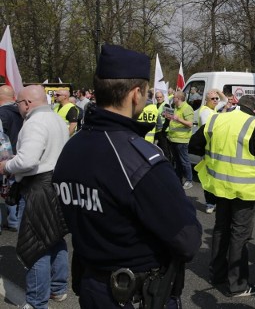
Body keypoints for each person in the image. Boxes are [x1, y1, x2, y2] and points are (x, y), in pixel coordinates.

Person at [52, 44, 202, 308]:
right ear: (136, 94)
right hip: (135, 294)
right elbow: (187, 240)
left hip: (93, 285)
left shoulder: (71, 148)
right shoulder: (139, 158)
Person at [190, 95, 255, 297]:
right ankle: (237, 285)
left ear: (237, 105)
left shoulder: (216, 119)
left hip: (220, 187)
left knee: (221, 230)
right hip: (245, 190)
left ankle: (217, 275)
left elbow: (194, 145)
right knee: (239, 235)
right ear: (254, 108)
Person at [0, 85, 70, 309]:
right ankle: (58, 288)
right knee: (55, 237)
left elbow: (27, 160)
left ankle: (37, 302)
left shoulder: (34, 123)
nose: (18, 107)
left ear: (27, 103)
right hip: (56, 184)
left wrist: (5, 166)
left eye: (18, 103)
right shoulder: (57, 119)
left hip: (37, 187)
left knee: (36, 245)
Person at [0, 85, 24, 233]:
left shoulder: (1, 113)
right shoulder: (22, 112)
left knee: (6, 188)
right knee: (14, 188)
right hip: (19, 155)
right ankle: (14, 221)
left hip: (4, 158)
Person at [166, 91, 195, 189]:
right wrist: (169, 117)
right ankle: (178, 180)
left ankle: (189, 180)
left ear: (178, 98)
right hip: (173, 138)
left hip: (182, 140)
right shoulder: (176, 108)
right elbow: (175, 120)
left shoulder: (187, 108)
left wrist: (178, 119)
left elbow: (190, 124)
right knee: (177, 161)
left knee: (184, 161)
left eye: (174, 97)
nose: (173, 99)